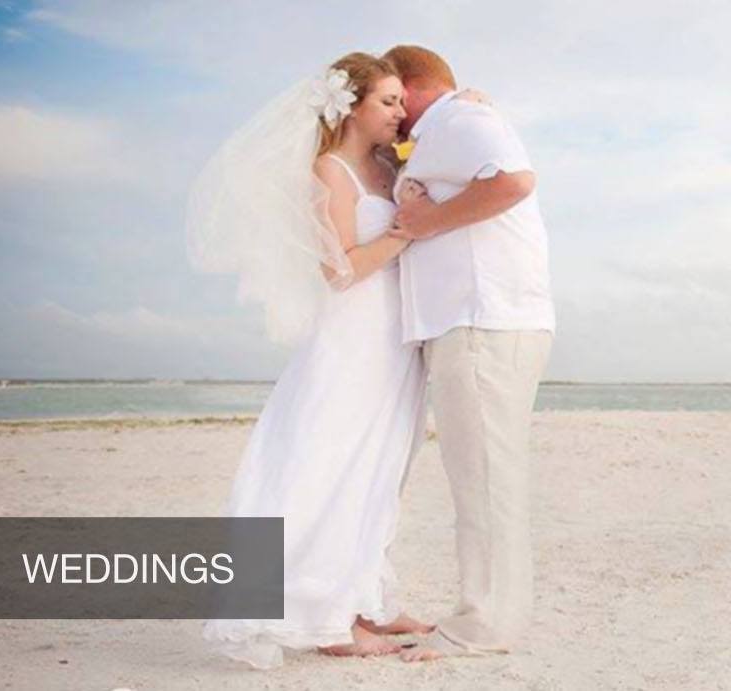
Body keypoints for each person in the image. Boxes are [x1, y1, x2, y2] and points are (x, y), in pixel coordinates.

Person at [192, 53, 434, 668]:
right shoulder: (331, 170)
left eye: (401, 103)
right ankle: (323, 617)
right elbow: (340, 269)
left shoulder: (388, 162)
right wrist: (405, 233)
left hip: (393, 339)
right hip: (352, 339)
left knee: (381, 468)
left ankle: (366, 599)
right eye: (387, 102)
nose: (399, 113)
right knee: (333, 466)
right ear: (350, 107)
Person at [377, 45, 556, 662]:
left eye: (394, 94)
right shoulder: (447, 126)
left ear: (411, 83)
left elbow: (513, 180)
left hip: (484, 322)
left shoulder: (456, 120)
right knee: (479, 478)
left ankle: (485, 626)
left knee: (485, 481)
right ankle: (480, 613)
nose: (393, 110)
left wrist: (428, 224)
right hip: (471, 324)